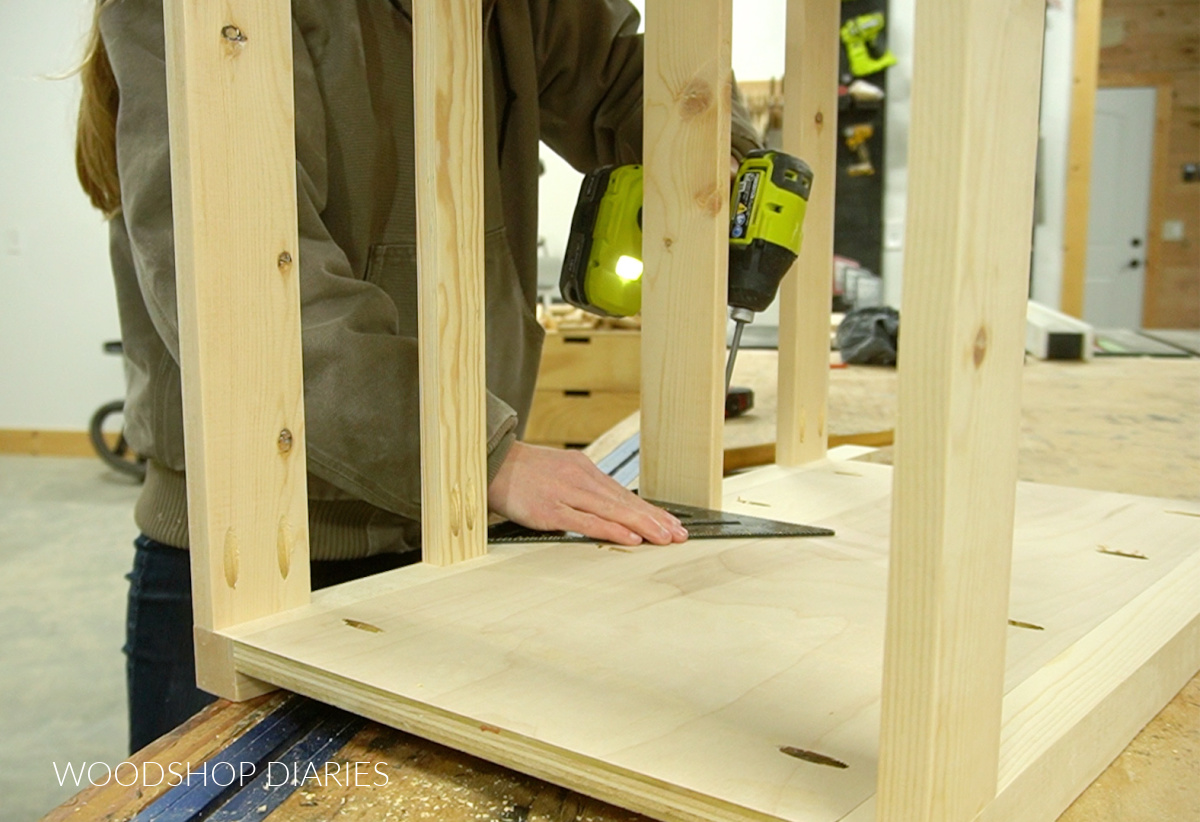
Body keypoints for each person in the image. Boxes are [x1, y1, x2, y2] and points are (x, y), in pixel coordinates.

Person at [75, 0, 762, 753]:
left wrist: (718, 159)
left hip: (458, 534)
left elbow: (631, 82)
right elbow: (243, 294)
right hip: (254, 557)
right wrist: (481, 454)